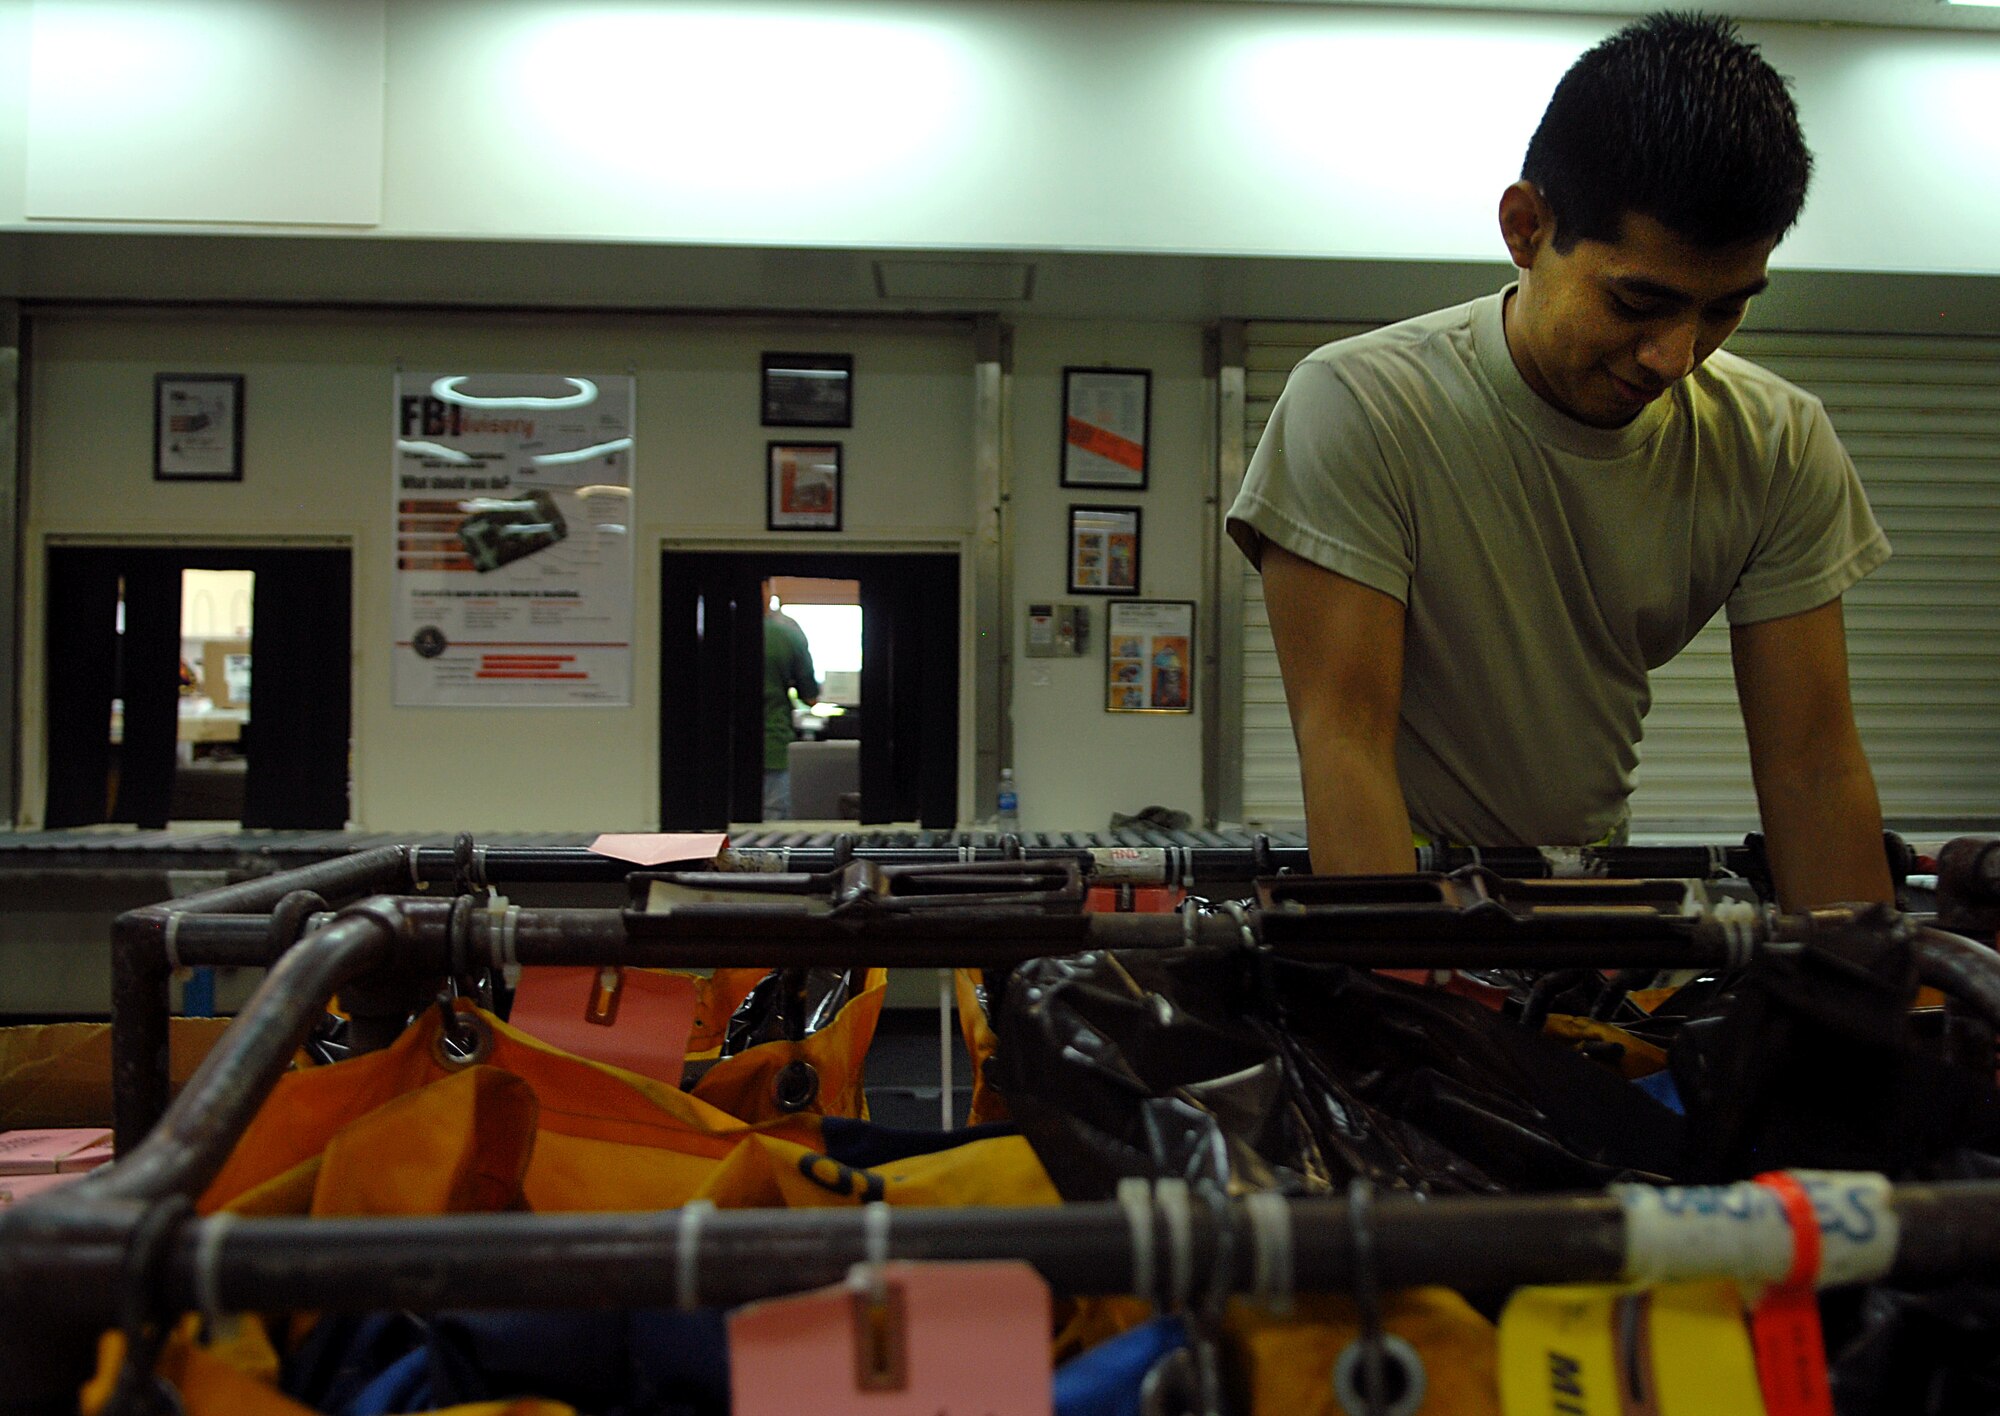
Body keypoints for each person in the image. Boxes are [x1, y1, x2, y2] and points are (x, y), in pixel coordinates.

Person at [1226, 12, 1893, 911]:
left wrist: (1866, 1019)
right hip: (1405, 894)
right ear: (1526, 226)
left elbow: (1814, 768)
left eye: (1725, 310)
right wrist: (1406, 1002)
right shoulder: (1360, 405)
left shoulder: (1777, 441)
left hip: (1589, 893)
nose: (1675, 355)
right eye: (1637, 301)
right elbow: (1344, 743)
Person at [762, 589, 819, 820]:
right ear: (765, 590)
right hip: (773, 746)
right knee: (770, 839)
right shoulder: (787, 635)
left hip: (717, 754)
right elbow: (811, 698)